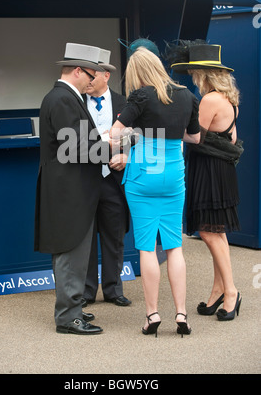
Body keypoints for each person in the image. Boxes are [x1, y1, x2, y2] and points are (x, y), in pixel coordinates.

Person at [110, 46, 200, 337]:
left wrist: (138, 135)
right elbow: (195, 137)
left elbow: (115, 134)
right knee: (174, 245)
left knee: (147, 246)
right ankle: (182, 313)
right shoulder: (186, 95)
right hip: (174, 174)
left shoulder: (141, 96)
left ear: (136, 74)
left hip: (144, 174)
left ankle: (152, 314)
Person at [35, 43, 111, 335]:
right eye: (91, 75)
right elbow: (76, 148)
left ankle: (73, 308)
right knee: (70, 252)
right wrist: (112, 147)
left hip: (69, 189)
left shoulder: (63, 97)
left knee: (74, 252)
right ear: (78, 70)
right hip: (69, 190)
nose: (93, 81)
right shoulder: (64, 99)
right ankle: (68, 317)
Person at [170, 41, 243, 321]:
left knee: (210, 233)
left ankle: (232, 292)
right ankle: (218, 291)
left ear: (204, 74)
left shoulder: (211, 99)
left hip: (210, 170)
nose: (192, 77)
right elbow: (232, 138)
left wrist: (174, 128)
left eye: (194, 73)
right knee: (217, 231)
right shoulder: (229, 99)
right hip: (220, 169)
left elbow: (195, 136)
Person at [82, 50, 131, 307]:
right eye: (86, 74)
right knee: (87, 237)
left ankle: (113, 289)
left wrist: (126, 156)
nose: (88, 79)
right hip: (86, 180)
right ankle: (87, 291)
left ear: (106, 76)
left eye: (93, 75)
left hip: (114, 181)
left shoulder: (125, 103)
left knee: (114, 236)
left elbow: (138, 137)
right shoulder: (76, 103)